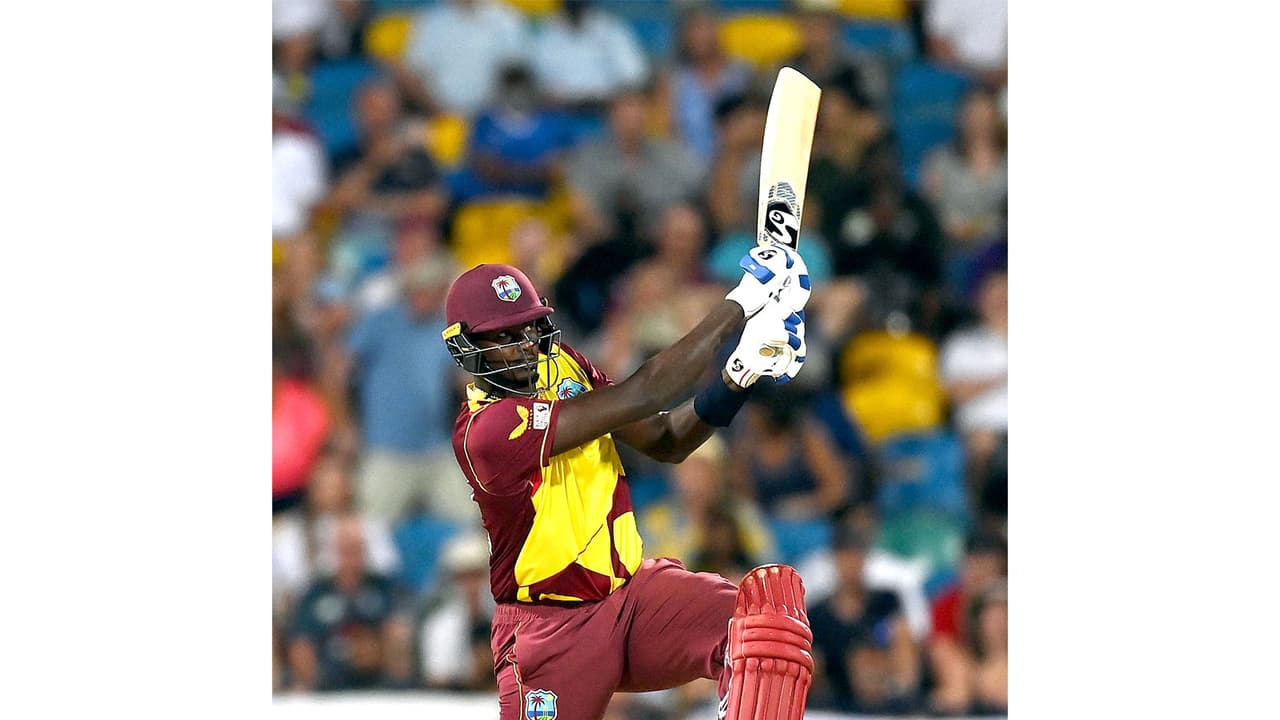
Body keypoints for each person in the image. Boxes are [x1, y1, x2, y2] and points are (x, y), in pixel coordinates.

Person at [439, 244, 816, 719]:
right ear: (467, 348)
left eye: (529, 327)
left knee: (766, 629)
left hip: (634, 597)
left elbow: (666, 440)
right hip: (552, 632)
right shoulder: (484, 432)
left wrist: (738, 373)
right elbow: (648, 392)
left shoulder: (564, 365)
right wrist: (741, 303)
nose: (525, 345)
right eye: (503, 335)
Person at [346, 254, 476, 524]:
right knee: (372, 529)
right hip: (386, 447)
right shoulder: (380, 322)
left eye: (432, 288)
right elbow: (339, 370)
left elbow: (464, 381)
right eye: (419, 288)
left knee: (470, 522)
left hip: (436, 447)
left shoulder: (448, 328)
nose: (424, 295)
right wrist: (344, 425)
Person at [284, 515, 412, 691]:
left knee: (398, 633)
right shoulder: (316, 593)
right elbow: (301, 638)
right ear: (334, 552)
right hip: (327, 678)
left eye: (356, 550)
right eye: (345, 550)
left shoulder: (383, 588)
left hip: (377, 674)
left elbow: (397, 626)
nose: (351, 557)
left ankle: (398, 692)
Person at [807, 525, 919, 713]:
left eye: (856, 556)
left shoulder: (886, 600)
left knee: (899, 633)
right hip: (838, 693)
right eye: (845, 557)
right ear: (835, 560)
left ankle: (904, 698)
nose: (851, 564)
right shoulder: (818, 613)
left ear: (865, 559)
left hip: (887, 682)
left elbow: (903, 638)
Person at [397, 0, 530, 116]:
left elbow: (518, 74)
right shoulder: (430, 22)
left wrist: (492, 112)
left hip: (494, 117)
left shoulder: (507, 19)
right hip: (439, 115)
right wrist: (438, 110)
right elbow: (412, 75)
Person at [927, 531, 1007, 715]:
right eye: (973, 566)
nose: (978, 573)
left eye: (986, 567)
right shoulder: (947, 603)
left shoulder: (1004, 603)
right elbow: (942, 651)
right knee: (953, 669)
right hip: (965, 675)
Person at [922, 86, 1008, 252]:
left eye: (983, 113)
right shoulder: (939, 160)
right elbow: (929, 211)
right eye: (972, 113)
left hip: (1000, 246)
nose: (978, 120)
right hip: (951, 244)